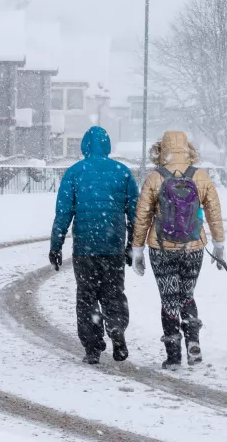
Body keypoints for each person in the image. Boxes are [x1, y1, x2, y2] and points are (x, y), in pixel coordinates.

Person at [130, 131, 226, 369]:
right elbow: (214, 211)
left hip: (161, 248)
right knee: (187, 295)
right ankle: (193, 343)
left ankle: (173, 356)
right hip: (193, 247)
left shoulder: (155, 178)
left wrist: (137, 249)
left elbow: (142, 216)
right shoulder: (200, 176)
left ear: (161, 149)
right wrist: (219, 244)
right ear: (188, 148)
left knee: (169, 298)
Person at [50, 126, 140, 365]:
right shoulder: (122, 173)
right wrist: (132, 244)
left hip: (85, 248)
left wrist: (56, 245)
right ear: (108, 145)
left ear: (84, 146)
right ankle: (117, 330)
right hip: (113, 247)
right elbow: (135, 213)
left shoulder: (75, 173)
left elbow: (63, 213)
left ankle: (92, 346)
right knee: (113, 293)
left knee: (87, 296)